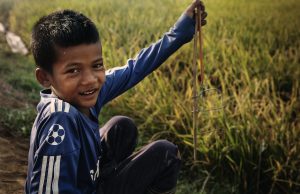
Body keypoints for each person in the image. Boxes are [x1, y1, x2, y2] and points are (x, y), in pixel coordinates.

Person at [25, 0, 207, 193]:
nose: (90, 80)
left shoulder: (84, 92)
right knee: (166, 154)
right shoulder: (60, 119)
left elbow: (135, 68)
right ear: (45, 77)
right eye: (73, 70)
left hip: (89, 181)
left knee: (121, 126)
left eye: (96, 65)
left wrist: (180, 32)